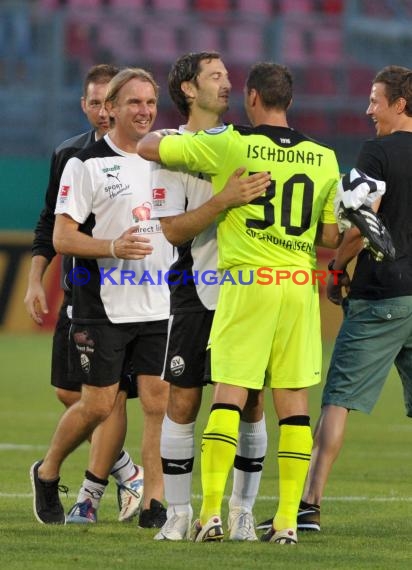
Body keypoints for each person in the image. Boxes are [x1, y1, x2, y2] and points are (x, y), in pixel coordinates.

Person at [137, 62, 341, 544]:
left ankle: (212, 513)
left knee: (230, 396)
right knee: (292, 404)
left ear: (252, 97)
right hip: (298, 285)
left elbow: (150, 146)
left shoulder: (234, 143)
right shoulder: (327, 157)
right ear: (289, 99)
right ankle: (287, 521)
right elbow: (331, 236)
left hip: (246, 282)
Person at [30, 67, 174, 527]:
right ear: (109, 109)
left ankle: (154, 502)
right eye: (134, 103)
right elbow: (62, 237)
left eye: (150, 102)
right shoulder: (84, 163)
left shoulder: (168, 157)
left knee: (158, 400)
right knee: (96, 403)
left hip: (160, 301)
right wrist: (113, 247)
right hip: (103, 302)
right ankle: (48, 471)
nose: (145, 111)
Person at [149, 52, 271, 542]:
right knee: (183, 401)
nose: (227, 84)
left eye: (227, 76)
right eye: (214, 77)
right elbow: (173, 232)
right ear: (187, 90)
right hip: (193, 290)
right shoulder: (170, 150)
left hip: (249, 291)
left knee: (252, 402)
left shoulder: (246, 142)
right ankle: (179, 514)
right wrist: (224, 201)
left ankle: (240, 512)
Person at [298, 64, 412, 532]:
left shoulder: (378, 151)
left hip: (383, 293)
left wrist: (336, 264)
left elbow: (363, 222)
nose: (368, 110)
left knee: (338, 400)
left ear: (400, 104)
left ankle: (308, 505)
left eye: (375, 100)